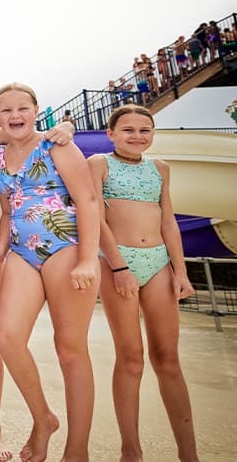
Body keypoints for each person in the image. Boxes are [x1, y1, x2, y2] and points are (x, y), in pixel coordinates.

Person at [0, 82, 99, 462]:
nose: (15, 116)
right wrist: (0, 249)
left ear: (36, 111)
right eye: (6, 110)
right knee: (6, 336)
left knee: (70, 350)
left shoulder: (58, 146)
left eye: (22, 108)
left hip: (66, 248)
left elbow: (88, 200)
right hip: (20, 252)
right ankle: (43, 418)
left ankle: (76, 450)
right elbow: (8, 212)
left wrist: (88, 259)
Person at [89, 105, 198, 462]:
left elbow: (169, 221)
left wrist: (180, 272)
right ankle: (131, 450)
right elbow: (97, 220)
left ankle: (188, 453)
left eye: (145, 130)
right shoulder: (99, 164)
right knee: (131, 358)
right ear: (111, 133)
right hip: (118, 263)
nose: (137, 136)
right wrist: (119, 268)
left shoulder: (161, 169)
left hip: (160, 264)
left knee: (168, 358)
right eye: (128, 130)